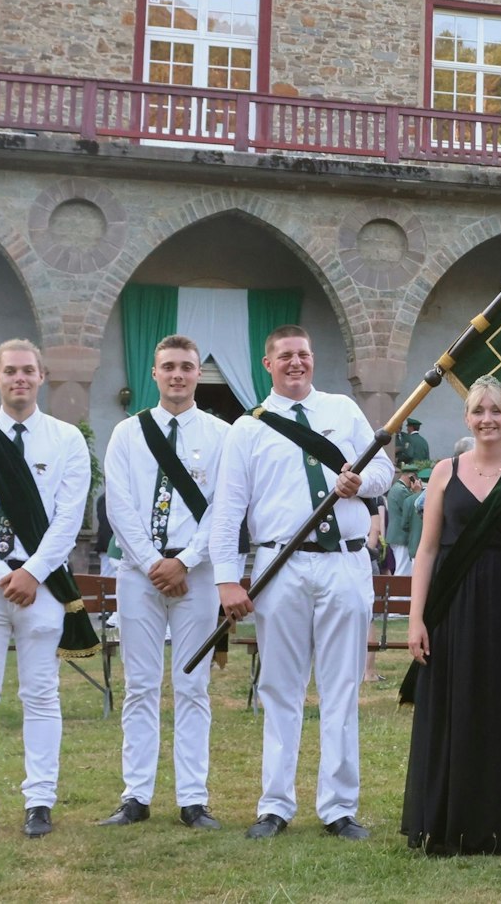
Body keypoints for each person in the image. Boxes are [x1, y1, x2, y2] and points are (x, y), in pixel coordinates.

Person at [210, 326, 393, 840]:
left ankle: (338, 807)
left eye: (304, 355)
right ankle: (275, 804)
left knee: (340, 687)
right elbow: (227, 512)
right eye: (285, 356)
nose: (296, 363)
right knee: (280, 688)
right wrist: (228, 579)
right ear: (267, 364)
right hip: (280, 567)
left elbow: (385, 471)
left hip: (344, 563)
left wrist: (362, 483)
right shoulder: (247, 429)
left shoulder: (342, 412)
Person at [0, 339, 92, 840]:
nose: (19, 379)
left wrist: (31, 572)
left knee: (42, 694)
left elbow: (69, 518)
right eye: (10, 371)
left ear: (42, 376)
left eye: (28, 371)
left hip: (43, 583)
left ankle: (39, 800)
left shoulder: (67, 439)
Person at [400, 376, 501, 854]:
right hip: (452, 601)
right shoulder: (443, 471)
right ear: (467, 417)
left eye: (497, 411)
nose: (487, 420)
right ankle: (445, 821)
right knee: (451, 703)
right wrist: (417, 619)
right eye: (479, 410)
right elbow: (426, 550)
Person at [96, 335, 231, 831]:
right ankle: (136, 794)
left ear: (198, 373)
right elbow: (119, 505)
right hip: (139, 573)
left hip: (197, 574)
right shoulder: (128, 433)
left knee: (193, 686)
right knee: (140, 685)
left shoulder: (221, 434)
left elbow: (225, 506)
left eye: (187, 367)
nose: (178, 374)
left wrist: (188, 560)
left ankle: (193, 798)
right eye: (169, 366)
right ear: (154, 373)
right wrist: (154, 561)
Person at [385, 466, 416, 576]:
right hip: (400, 535)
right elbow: (411, 509)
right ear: (410, 477)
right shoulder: (401, 490)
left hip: (398, 535)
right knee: (403, 570)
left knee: (404, 569)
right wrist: (415, 492)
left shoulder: (397, 488)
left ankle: (398, 593)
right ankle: (397, 593)